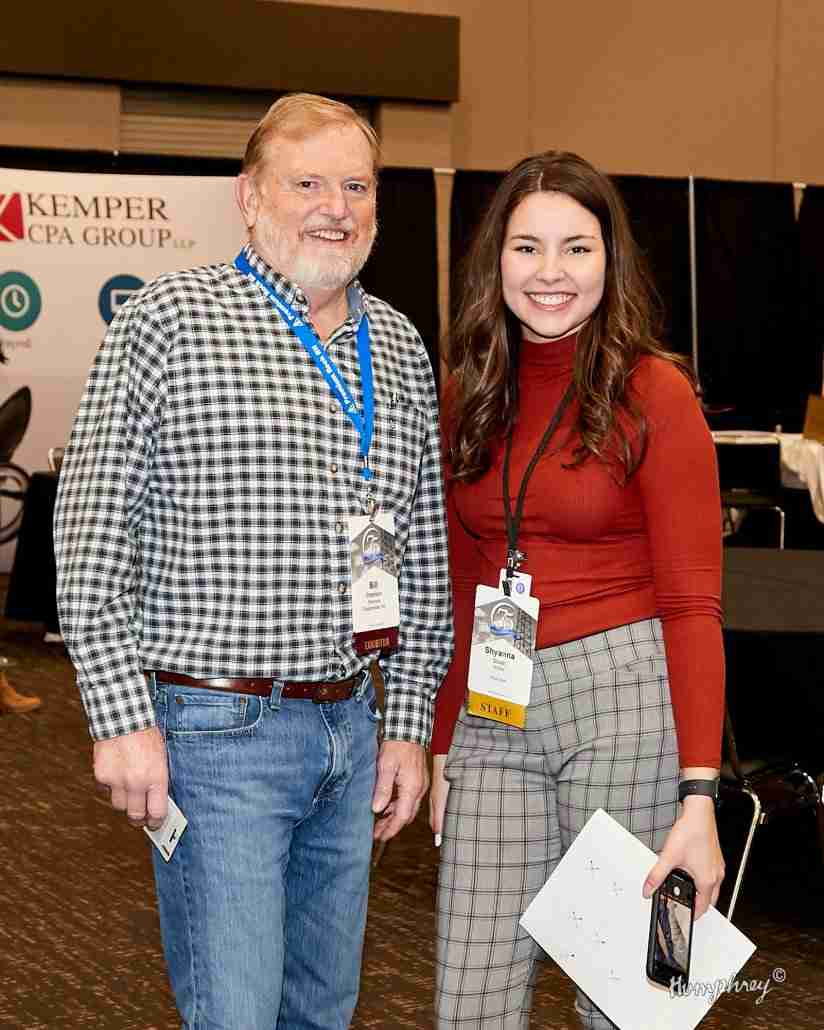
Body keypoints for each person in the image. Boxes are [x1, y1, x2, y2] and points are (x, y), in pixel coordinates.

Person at [54, 93, 452, 1029]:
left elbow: (422, 556)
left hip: (352, 730)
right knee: (234, 1011)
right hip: (216, 735)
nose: (335, 208)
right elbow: (91, 534)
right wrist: (119, 719)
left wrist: (408, 725)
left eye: (356, 186)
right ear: (248, 196)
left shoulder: (398, 346)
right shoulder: (168, 320)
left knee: (322, 1012)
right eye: (306, 183)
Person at [430, 151, 725, 1029]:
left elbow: (694, 604)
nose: (550, 273)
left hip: (627, 698)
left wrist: (699, 797)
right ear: (496, 260)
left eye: (576, 248)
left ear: (610, 259)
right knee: (468, 999)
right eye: (527, 248)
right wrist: (444, 745)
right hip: (496, 706)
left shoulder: (656, 390)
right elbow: (461, 582)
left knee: (632, 1003)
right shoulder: (468, 392)